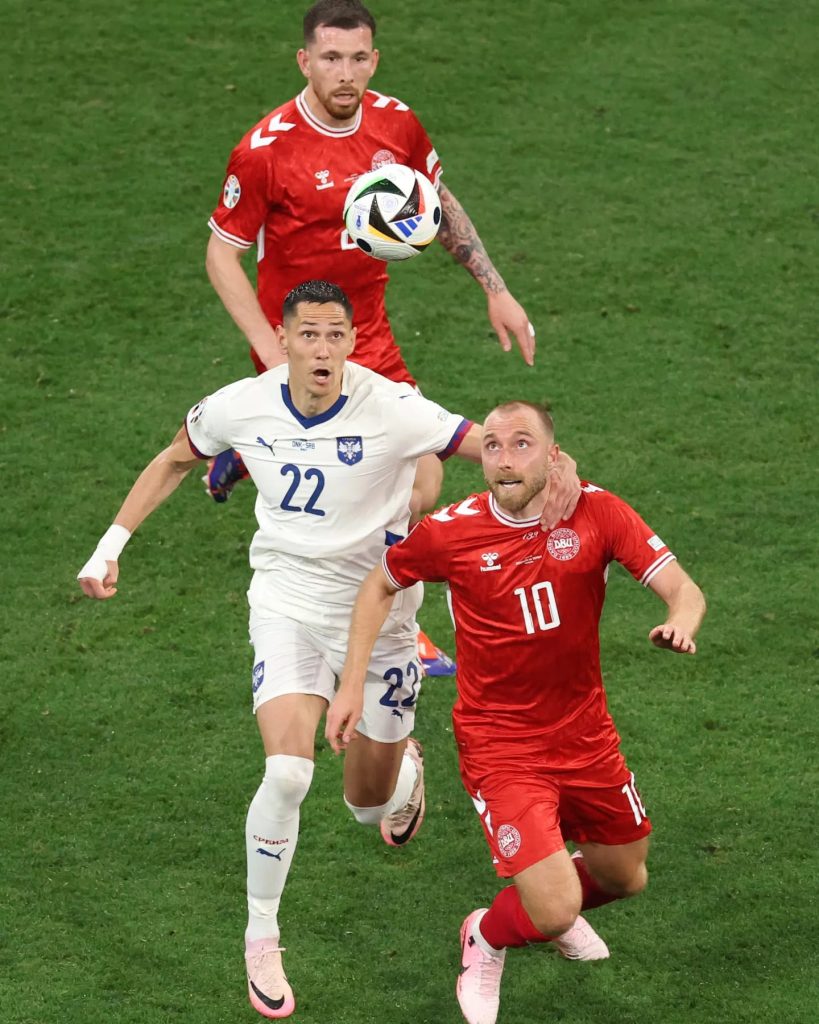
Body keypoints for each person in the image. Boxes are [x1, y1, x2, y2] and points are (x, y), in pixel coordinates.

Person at [77, 285, 580, 1020]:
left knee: (364, 805)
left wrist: (555, 470)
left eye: (335, 334)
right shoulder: (240, 405)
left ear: (351, 341)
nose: (321, 348)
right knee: (286, 772)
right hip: (286, 604)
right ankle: (261, 937)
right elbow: (175, 459)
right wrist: (110, 546)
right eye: (308, 334)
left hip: (382, 618)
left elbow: (491, 446)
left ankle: (403, 770)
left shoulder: (393, 406)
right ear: (282, 339)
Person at [327, 400, 707, 1024]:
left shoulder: (598, 512)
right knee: (555, 909)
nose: (505, 459)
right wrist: (350, 685)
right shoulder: (451, 531)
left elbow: (684, 590)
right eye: (494, 445)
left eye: (522, 444)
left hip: (586, 735)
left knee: (626, 878)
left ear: (553, 456)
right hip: (500, 743)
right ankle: (486, 935)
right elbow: (379, 584)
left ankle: (544, 891)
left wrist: (680, 623)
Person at [205, 0, 536, 519]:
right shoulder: (265, 151)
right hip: (301, 343)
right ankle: (261, 444)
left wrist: (497, 290)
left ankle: (254, 452)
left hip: (370, 336)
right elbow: (221, 254)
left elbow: (434, 202)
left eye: (358, 59)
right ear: (304, 62)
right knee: (348, 487)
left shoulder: (396, 124)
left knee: (423, 481)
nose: (346, 74)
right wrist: (271, 353)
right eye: (331, 58)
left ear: (374, 60)